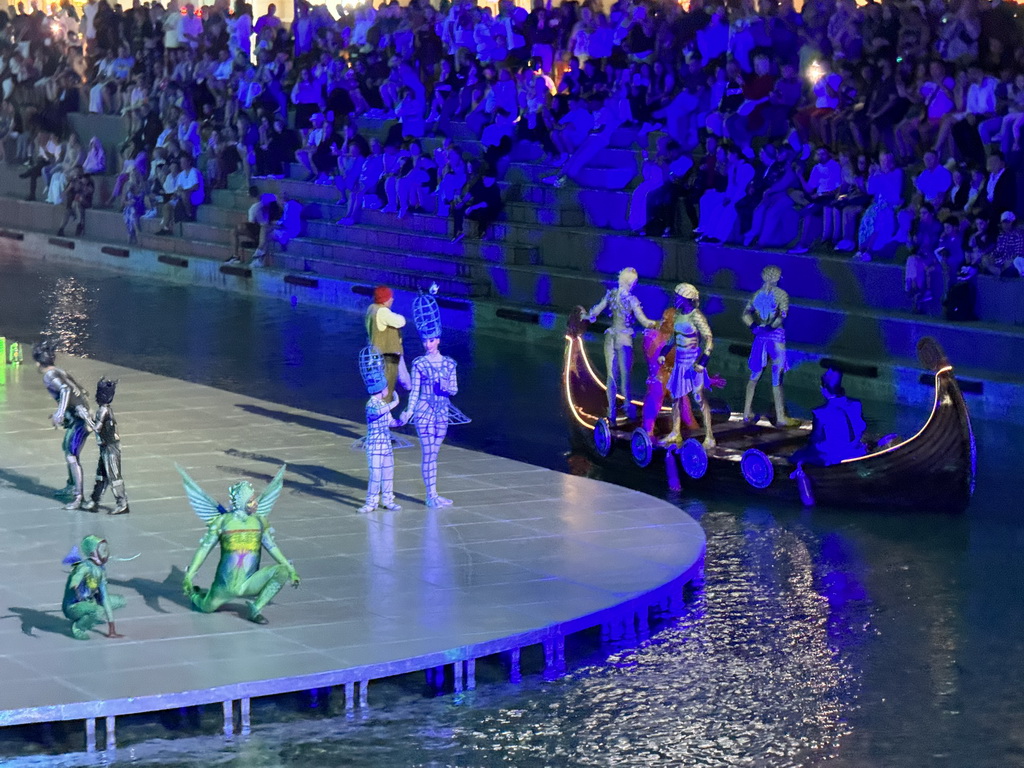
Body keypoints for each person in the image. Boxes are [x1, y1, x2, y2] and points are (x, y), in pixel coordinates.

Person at [179, 465, 300, 624]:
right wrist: (189, 575)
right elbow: (204, 548)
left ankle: (255, 608)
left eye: (254, 500)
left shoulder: (258, 521)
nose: (255, 503)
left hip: (250, 581)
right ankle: (195, 594)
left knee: (282, 571)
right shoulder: (223, 521)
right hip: (225, 585)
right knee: (206, 607)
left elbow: (272, 546)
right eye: (250, 501)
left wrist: (290, 570)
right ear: (242, 502)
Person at [399, 289, 469, 508]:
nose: (427, 344)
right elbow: (415, 391)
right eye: (425, 340)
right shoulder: (419, 364)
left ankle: (434, 493)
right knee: (428, 453)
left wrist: (445, 386)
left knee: (434, 454)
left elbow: (455, 390)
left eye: (431, 340)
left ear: (438, 340)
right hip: (424, 411)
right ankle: (431, 495)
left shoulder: (449, 364)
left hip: (443, 411)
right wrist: (409, 411)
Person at [585, 267, 657, 421]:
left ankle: (612, 411)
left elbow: (595, 312)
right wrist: (659, 324)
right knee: (625, 377)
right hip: (624, 339)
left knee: (611, 376)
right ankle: (627, 408)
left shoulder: (611, 295)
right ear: (631, 283)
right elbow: (644, 321)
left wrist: (586, 316)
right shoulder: (632, 300)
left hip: (611, 337)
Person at [33, 340, 91, 510]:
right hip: (77, 416)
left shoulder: (49, 375)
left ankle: (78, 496)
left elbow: (65, 390)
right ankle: (71, 486)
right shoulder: (58, 370)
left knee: (71, 454)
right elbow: (77, 387)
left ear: (38, 362)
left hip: (80, 419)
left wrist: (60, 412)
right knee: (67, 448)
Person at [658, 283, 715, 448]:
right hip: (680, 360)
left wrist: (703, 361)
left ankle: (709, 436)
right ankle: (675, 432)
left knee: (698, 397)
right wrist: (663, 353)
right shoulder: (677, 316)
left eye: (679, 297)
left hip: (693, 361)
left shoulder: (696, 316)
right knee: (676, 397)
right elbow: (673, 339)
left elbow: (709, 338)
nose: (676, 299)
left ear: (687, 299)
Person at [741, 265, 798, 426]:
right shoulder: (781, 295)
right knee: (776, 376)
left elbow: (746, 314)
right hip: (775, 336)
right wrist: (768, 327)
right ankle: (780, 417)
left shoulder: (757, 295)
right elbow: (782, 315)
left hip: (761, 335)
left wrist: (755, 327)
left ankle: (747, 412)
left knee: (755, 374)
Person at [356, 346, 403, 514]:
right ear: (381, 389)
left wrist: (400, 421)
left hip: (385, 444)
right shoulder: (372, 405)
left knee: (388, 472)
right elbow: (378, 413)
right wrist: (395, 403)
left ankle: (388, 500)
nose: (387, 390)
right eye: (385, 388)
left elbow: (390, 422)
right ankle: (371, 502)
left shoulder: (383, 404)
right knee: (376, 475)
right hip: (375, 445)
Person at [790, 369, 866, 466]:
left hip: (835, 454)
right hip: (856, 448)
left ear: (824, 390)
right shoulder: (856, 404)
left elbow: (816, 438)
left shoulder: (820, 413)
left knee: (797, 456)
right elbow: (860, 428)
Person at [80, 378, 129, 515]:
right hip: (105, 447)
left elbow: (96, 428)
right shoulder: (106, 410)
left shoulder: (103, 411)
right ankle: (94, 500)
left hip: (110, 447)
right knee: (101, 475)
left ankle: (122, 503)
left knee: (114, 476)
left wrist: (85, 418)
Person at [61, 535, 125, 640]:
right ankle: (78, 628)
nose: (106, 553)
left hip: (89, 601)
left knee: (119, 601)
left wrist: (112, 628)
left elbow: (105, 598)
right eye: (102, 550)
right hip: (73, 606)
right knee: (97, 611)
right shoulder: (84, 567)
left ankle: (86, 617)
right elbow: (76, 579)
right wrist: (75, 586)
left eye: (106, 549)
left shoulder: (100, 571)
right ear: (92, 553)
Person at [365, 285, 410, 395]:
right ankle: (411, 393)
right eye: (390, 298)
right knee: (402, 378)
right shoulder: (383, 312)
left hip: (375, 350)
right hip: (389, 352)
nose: (392, 299)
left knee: (380, 379)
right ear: (385, 300)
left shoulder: (371, 308)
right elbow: (400, 321)